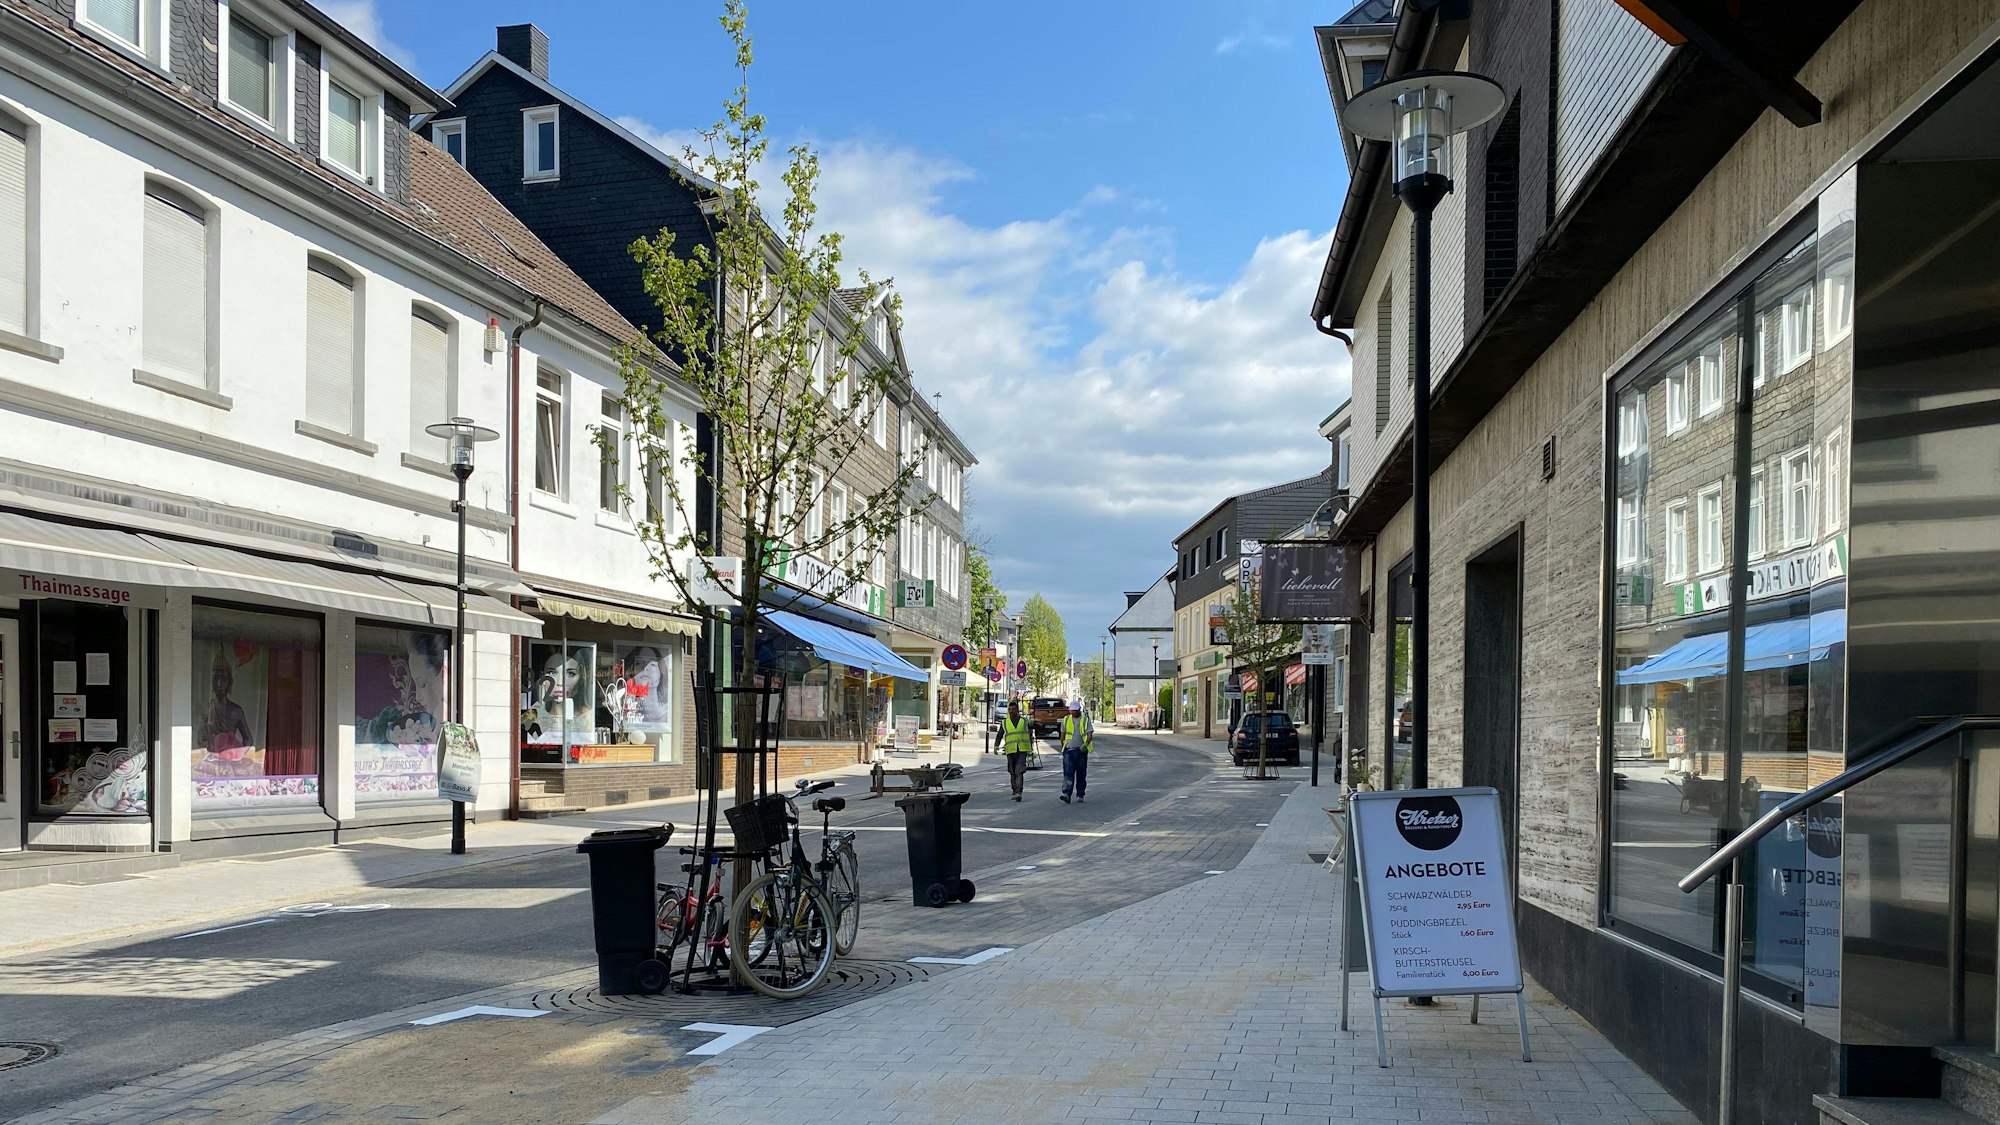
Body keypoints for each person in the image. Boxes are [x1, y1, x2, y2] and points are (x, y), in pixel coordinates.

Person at [1058, 699, 1094, 804]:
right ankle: (1066, 794)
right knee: (1068, 773)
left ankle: (1080, 794)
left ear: (1079, 710)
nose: (1073, 712)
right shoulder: (1066, 719)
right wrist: (1063, 747)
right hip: (1069, 750)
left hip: (1081, 750)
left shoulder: (1085, 720)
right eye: (1072, 710)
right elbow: (1062, 734)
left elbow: (1089, 734)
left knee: (1081, 773)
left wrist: (1085, 745)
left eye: (1075, 710)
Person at [1001, 697, 1033, 802]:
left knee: (1019, 771)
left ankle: (1019, 791)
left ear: (1017, 710)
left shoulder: (1023, 721)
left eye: (1013, 709)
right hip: (1010, 750)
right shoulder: (1005, 722)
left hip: (1021, 749)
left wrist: (1033, 724)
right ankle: (1014, 790)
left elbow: (1031, 728)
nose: (1011, 711)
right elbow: (1000, 734)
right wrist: (996, 745)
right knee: (1012, 772)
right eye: (1009, 710)